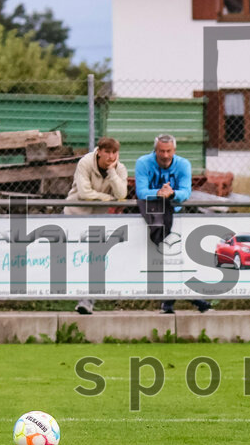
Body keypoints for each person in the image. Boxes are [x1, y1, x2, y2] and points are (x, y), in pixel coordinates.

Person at [135, 133, 211, 314]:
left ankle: (175, 299)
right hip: (154, 214)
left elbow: (186, 192)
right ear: (155, 150)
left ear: (174, 151)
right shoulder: (143, 163)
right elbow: (141, 192)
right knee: (164, 259)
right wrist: (161, 193)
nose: (165, 155)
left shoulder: (183, 164)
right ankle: (179, 299)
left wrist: (172, 194)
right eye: (161, 151)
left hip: (177, 214)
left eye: (169, 151)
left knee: (180, 259)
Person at [64, 137, 128, 315]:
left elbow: (122, 194)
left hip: (99, 221)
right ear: (99, 151)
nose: (110, 156)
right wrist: (108, 198)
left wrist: (112, 173)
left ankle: (86, 301)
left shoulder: (119, 168)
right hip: (74, 217)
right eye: (107, 152)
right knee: (76, 261)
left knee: (96, 261)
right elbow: (84, 194)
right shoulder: (85, 163)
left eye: (114, 152)